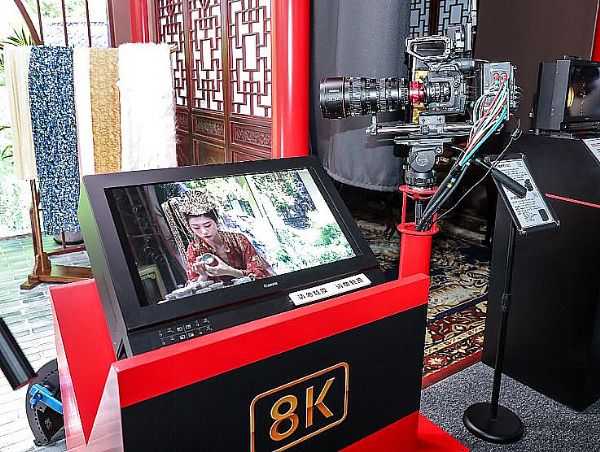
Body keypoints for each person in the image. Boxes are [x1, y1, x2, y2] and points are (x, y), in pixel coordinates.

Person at [181, 195, 273, 284]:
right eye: (196, 228)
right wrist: (203, 275)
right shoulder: (194, 249)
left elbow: (261, 273)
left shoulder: (238, 240)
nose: (204, 231)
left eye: (208, 225)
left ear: (216, 222)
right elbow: (193, 286)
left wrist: (231, 271)